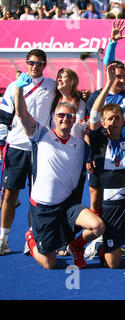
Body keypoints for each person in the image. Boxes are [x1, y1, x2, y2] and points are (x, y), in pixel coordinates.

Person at [13, 72, 104, 270]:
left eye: (69, 117)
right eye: (61, 116)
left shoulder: (80, 143)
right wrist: (18, 88)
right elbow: (22, 114)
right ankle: (31, 237)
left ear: (74, 120)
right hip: (43, 208)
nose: (65, 119)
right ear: (54, 118)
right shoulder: (41, 134)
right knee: (49, 262)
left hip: (68, 206)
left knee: (98, 226)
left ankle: (75, 247)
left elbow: (95, 122)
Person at [87, 62, 125, 269]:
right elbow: (94, 114)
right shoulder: (98, 140)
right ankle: (98, 245)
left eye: (118, 118)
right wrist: (109, 83)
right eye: (110, 118)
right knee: (113, 264)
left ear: (123, 121)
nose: (114, 121)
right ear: (104, 123)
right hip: (111, 206)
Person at [0, 49, 56, 256]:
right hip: (16, 146)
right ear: (26, 63)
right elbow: (4, 118)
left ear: (45, 65)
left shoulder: (51, 86)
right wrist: (0, 144)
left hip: (40, 147)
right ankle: (3, 239)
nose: (35, 66)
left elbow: (69, 96)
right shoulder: (14, 86)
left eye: (39, 63)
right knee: (9, 195)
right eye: (31, 63)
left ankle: (33, 237)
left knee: (37, 195)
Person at [51, 68, 89, 256]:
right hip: (56, 155)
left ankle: (68, 240)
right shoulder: (53, 101)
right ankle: (55, 238)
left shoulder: (82, 103)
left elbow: (85, 130)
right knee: (57, 198)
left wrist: (87, 157)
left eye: (63, 78)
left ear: (73, 81)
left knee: (74, 198)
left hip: (76, 155)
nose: (59, 80)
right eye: (58, 77)